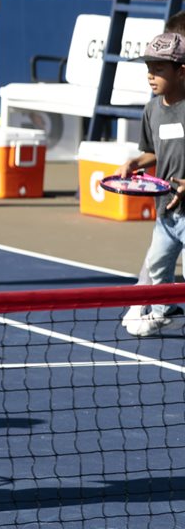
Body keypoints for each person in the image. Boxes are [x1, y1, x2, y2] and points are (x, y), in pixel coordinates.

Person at [119, 33, 185, 336]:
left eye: (159, 69)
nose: (151, 76)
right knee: (158, 265)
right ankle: (165, 311)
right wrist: (135, 163)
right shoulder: (151, 110)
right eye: (149, 68)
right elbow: (153, 152)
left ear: (181, 72)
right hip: (166, 211)